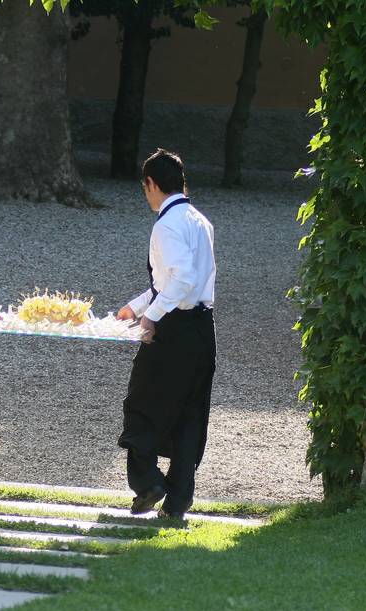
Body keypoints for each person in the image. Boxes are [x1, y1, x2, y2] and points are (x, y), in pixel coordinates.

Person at [117, 148, 217, 521]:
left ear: (151, 184)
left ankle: (147, 483)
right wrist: (137, 306)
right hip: (202, 328)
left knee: (142, 405)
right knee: (190, 414)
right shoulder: (200, 221)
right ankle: (177, 502)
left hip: (172, 330)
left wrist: (151, 317)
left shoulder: (166, 224)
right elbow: (178, 281)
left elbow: (182, 280)